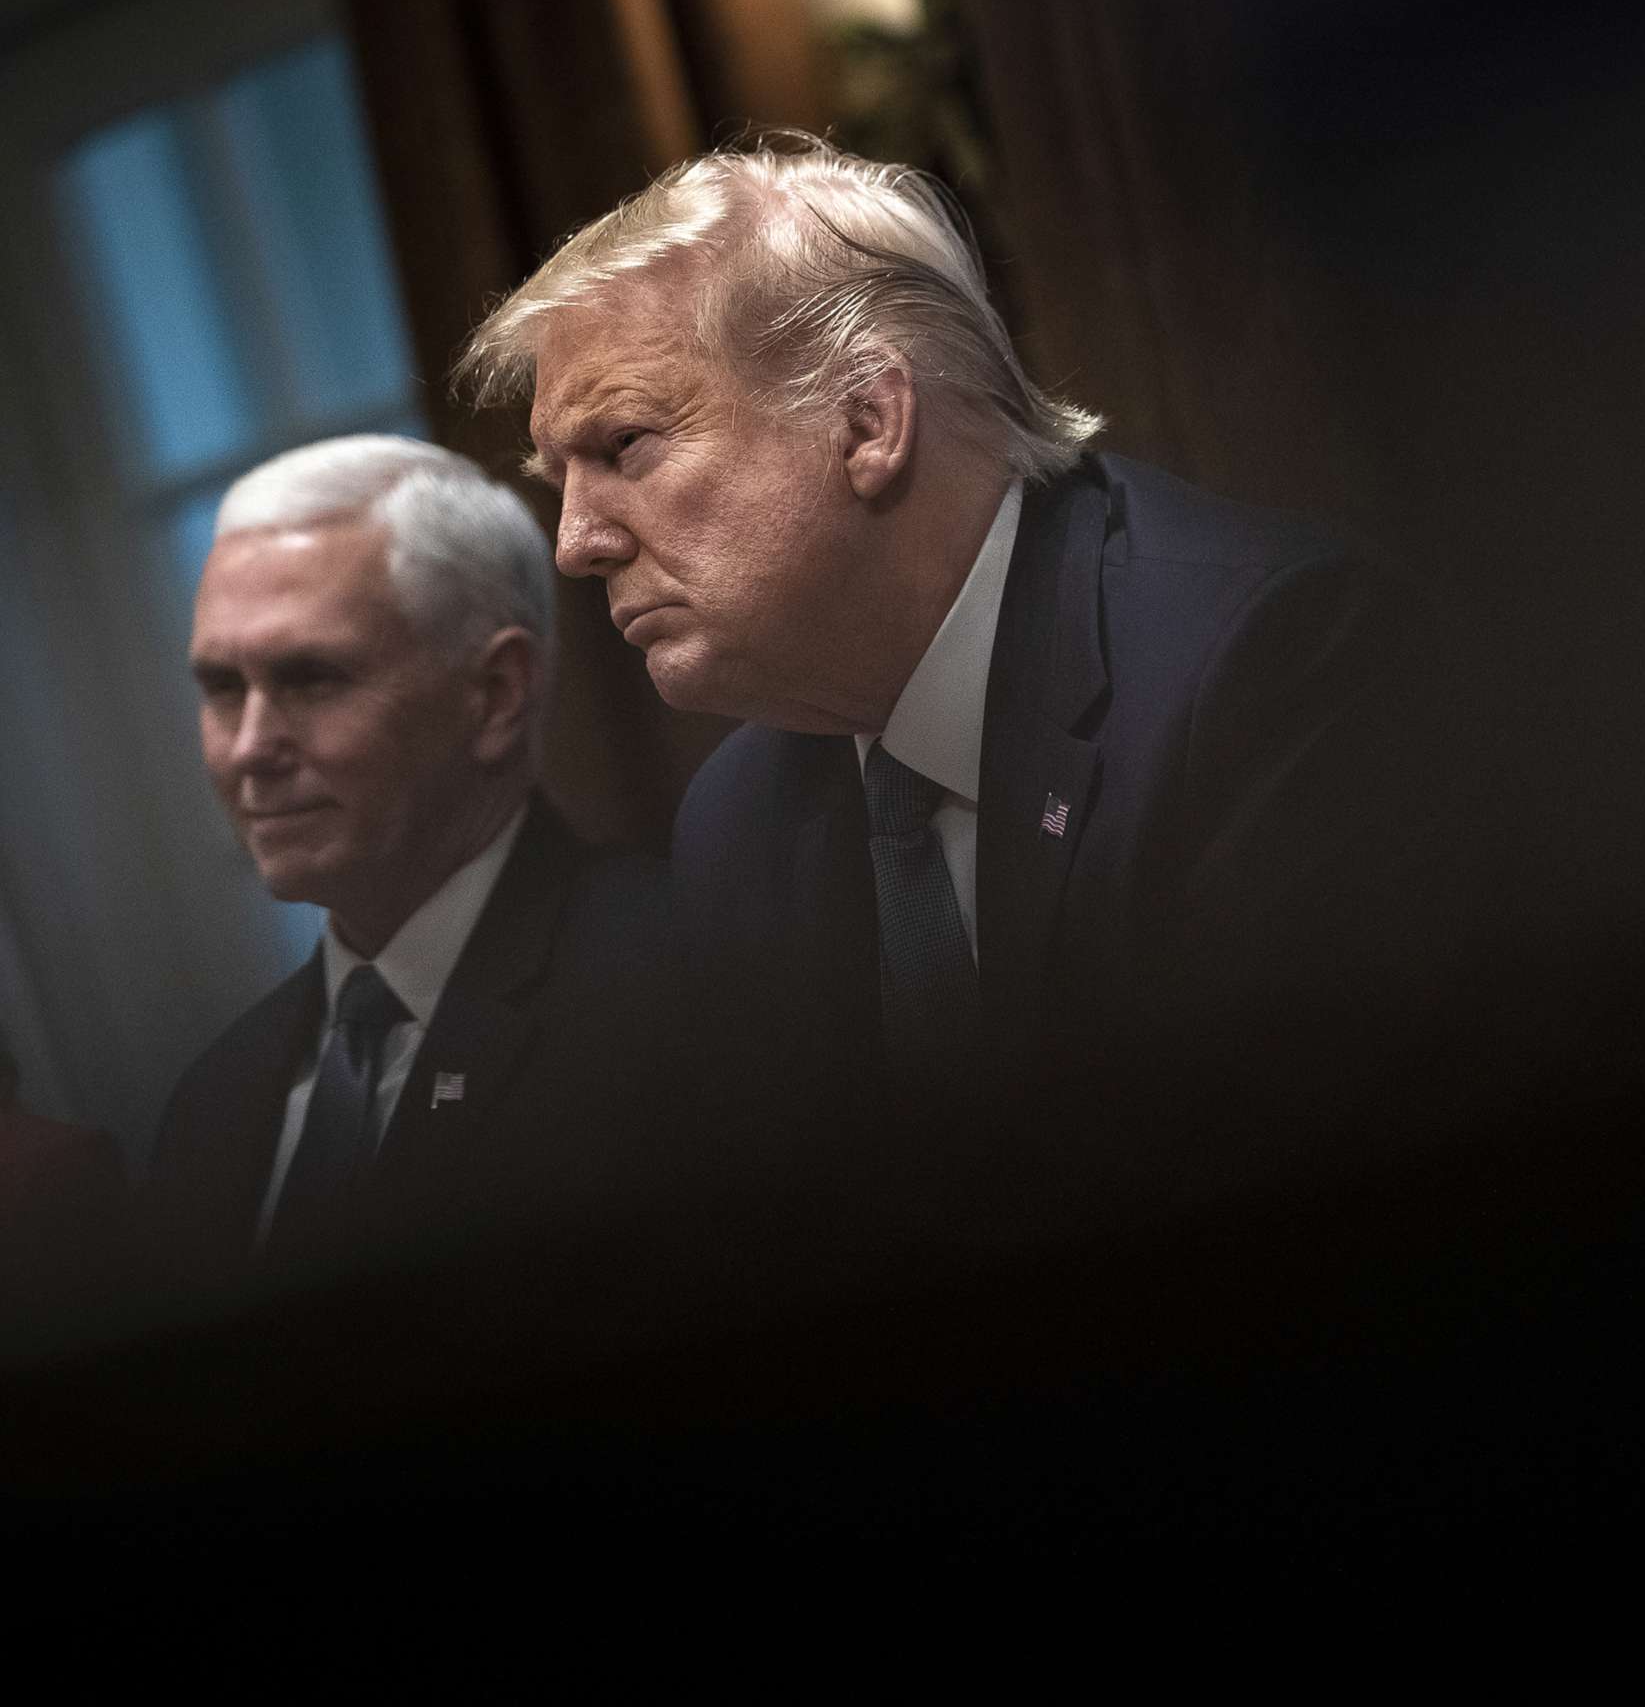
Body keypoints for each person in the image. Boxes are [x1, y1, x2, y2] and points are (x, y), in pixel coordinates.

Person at [455, 138, 1446, 1245]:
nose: (576, 545)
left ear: (869, 421)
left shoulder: (1262, 666)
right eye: (560, 483)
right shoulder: (738, 824)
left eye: (626, 445)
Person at [142, 436, 677, 1294]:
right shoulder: (211, 1108)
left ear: (496, 694)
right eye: (222, 690)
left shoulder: (694, 984)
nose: (250, 750)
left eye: (311, 679)